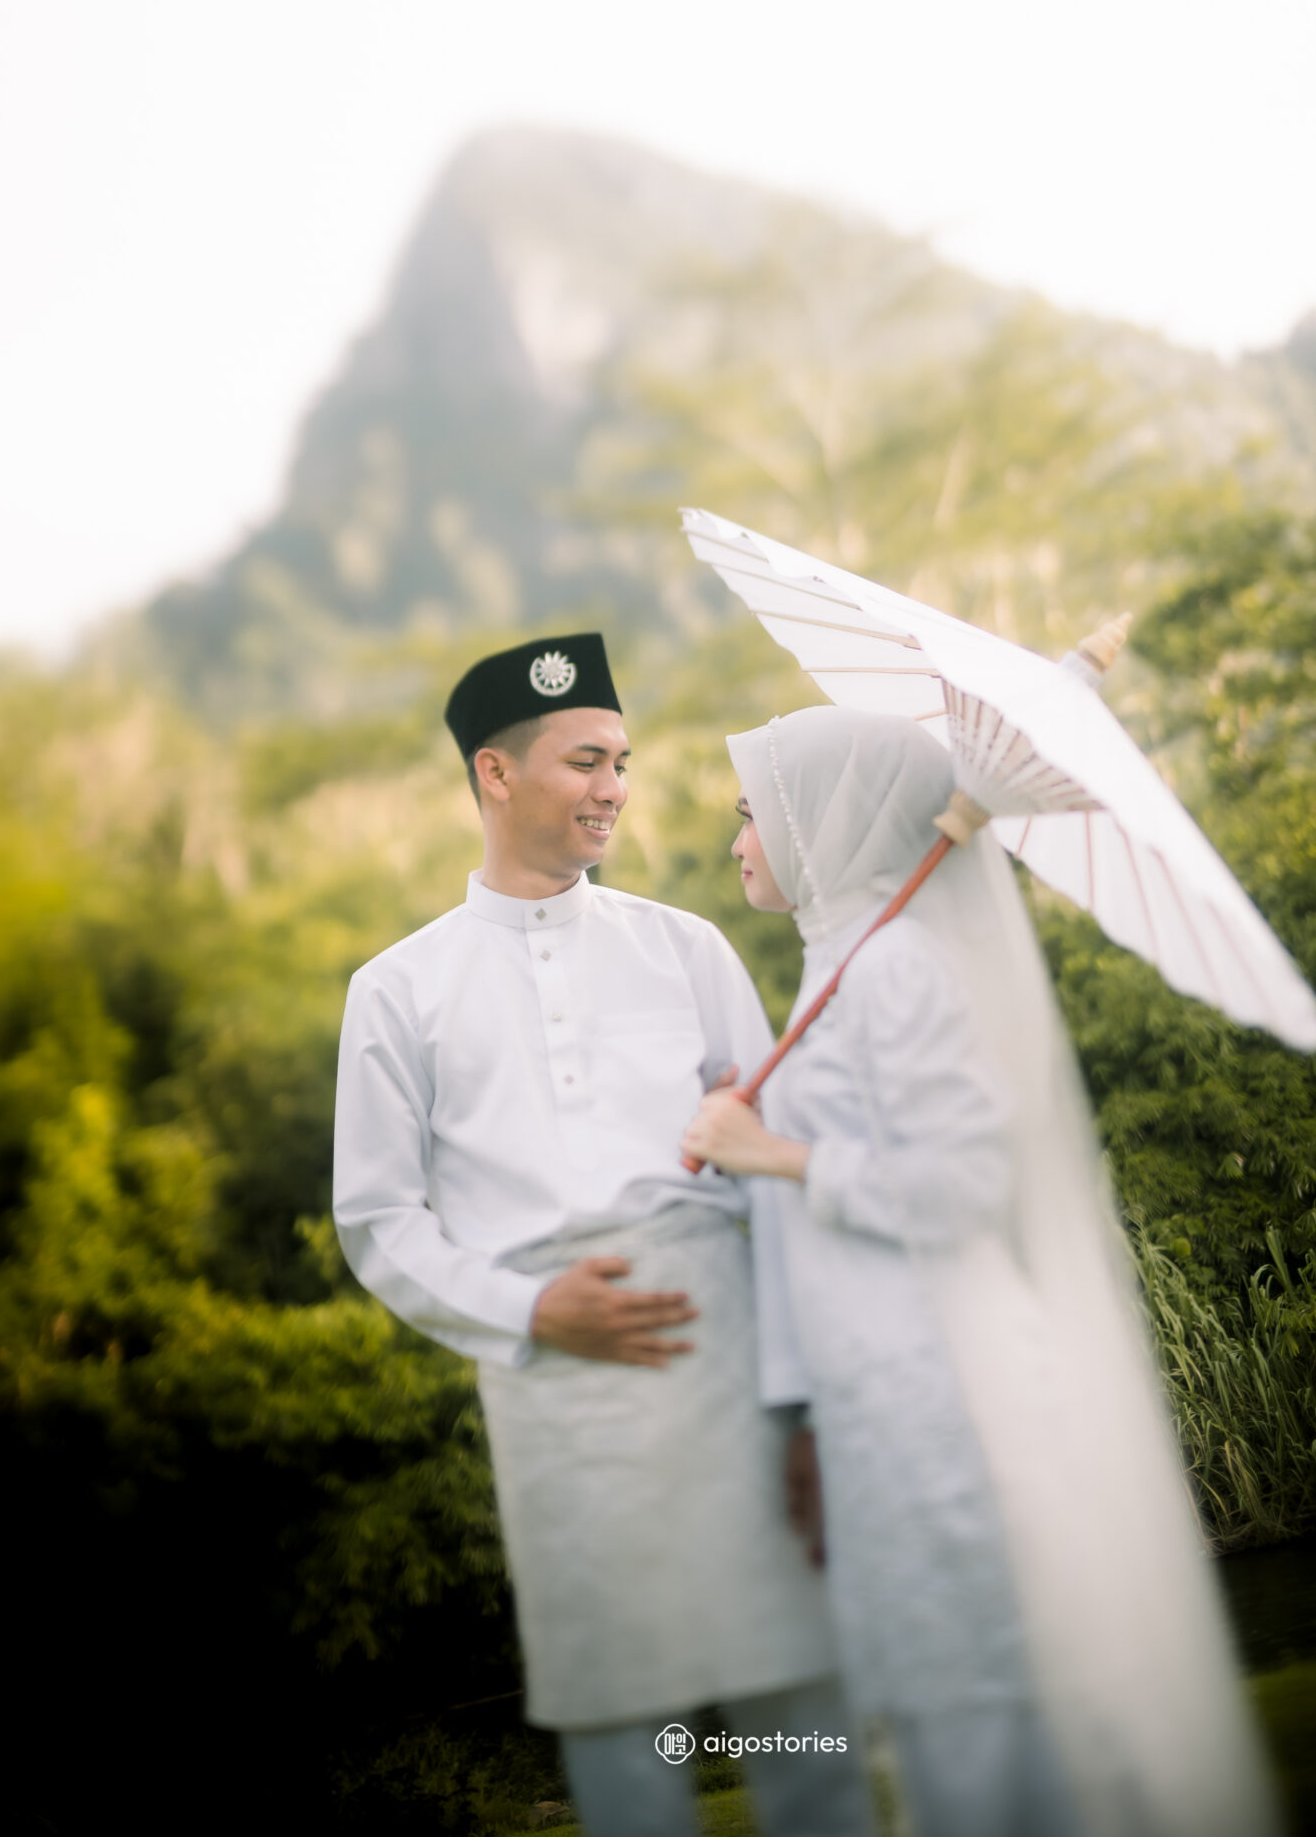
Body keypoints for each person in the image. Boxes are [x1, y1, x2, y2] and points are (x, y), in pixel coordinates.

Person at [683, 706, 1280, 1837]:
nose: (736, 840)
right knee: (937, 1703)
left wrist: (774, 1153)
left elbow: (963, 1183)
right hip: (878, 1390)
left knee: (978, 1698)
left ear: (824, 818)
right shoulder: (838, 960)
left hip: (945, 1385)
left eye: (752, 812)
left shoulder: (894, 966)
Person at [333, 636, 872, 1837]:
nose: (615, 787)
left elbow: (770, 1181)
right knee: (621, 1726)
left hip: (731, 1363)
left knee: (798, 1695)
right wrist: (530, 1309)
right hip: (555, 1378)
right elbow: (376, 1219)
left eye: (622, 761)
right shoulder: (396, 989)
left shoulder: (687, 947)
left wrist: (801, 1403)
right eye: (586, 761)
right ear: (495, 772)